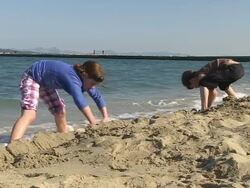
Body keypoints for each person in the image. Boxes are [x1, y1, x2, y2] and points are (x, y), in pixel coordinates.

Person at [10, 59, 109, 142]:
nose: (93, 87)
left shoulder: (85, 80)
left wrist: (105, 117)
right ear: (84, 74)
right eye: (92, 84)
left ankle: (62, 135)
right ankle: (13, 143)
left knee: (60, 110)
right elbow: (79, 100)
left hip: (46, 83)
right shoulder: (72, 79)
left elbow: (97, 96)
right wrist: (93, 122)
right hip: (32, 77)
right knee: (29, 114)